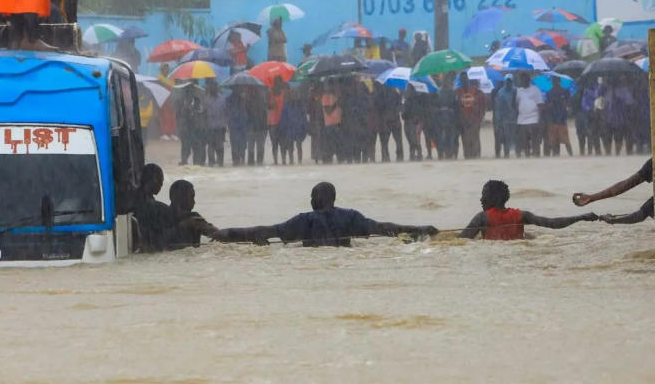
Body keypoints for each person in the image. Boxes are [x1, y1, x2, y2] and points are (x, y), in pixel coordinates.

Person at [212, 182, 437, 247]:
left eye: (312, 197)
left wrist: (225, 234)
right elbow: (383, 228)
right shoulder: (350, 217)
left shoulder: (304, 221)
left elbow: (264, 231)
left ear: (315, 201)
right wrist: (419, 230)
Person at [459, 180, 597, 240]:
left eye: (484, 196)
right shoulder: (522, 215)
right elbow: (554, 223)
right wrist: (581, 217)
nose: (481, 199)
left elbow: (461, 240)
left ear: (492, 198)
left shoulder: (482, 218)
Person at [573, 157, 653, 223]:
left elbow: (640, 215)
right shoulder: (652, 164)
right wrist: (592, 197)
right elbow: (625, 185)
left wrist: (613, 219)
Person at [163, 180, 219, 250]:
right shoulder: (163, 214)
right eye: (191, 197)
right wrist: (184, 225)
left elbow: (215, 232)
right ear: (179, 197)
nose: (194, 202)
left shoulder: (193, 218)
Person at [132, 164, 172, 253]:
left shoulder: (143, 197)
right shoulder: (144, 201)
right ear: (154, 179)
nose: (161, 184)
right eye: (161, 180)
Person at [603, 77, 635, 156]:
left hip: (620, 119)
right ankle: (609, 153)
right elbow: (605, 104)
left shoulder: (623, 91)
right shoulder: (608, 91)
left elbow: (630, 102)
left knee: (618, 138)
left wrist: (620, 100)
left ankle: (617, 154)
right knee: (608, 138)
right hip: (610, 119)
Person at [456, 74, 486, 159]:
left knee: (475, 138)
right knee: (465, 139)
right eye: (462, 79)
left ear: (467, 79)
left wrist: (480, 116)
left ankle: (476, 155)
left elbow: (483, 103)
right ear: (460, 81)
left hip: (475, 120)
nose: (464, 80)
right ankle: (467, 156)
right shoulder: (458, 91)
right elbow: (457, 106)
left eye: (465, 78)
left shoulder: (475, 90)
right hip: (463, 120)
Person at [176, 82, 206, 166]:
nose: (190, 92)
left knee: (196, 146)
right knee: (185, 146)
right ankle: (184, 160)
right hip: (185, 129)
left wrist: (193, 111)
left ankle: (197, 162)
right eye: (188, 90)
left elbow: (200, 111)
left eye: (191, 90)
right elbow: (178, 114)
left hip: (195, 128)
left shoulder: (197, 100)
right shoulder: (181, 101)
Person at [514, 72, 543, 158]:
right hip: (522, 120)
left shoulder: (536, 90)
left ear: (529, 80)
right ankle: (527, 156)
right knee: (524, 140)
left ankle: (536, 155)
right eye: (522, 79)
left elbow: (540, 105)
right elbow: (516, 104)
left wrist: (540, 119)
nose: (523, 81)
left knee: (535, 140)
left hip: (534, 119)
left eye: (525, 79)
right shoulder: (519, 91)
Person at [373, 83, 403, 162]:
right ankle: (400, 157)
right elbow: (400, 105)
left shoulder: (380, 93)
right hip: (395, 119)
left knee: (384, 142)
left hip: (385, 120)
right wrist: (396, 112)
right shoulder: (395, 92)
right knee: (398, 140)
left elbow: (378, 105)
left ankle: (385, 157)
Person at [279, 85, 309, 165]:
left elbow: (304, 117)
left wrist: (305, 127)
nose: (293, 95)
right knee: (290, 147)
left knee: (299, 146)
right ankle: (291, 161)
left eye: (295, 93)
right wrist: (282, 128)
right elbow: (283, 118)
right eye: (292, 93)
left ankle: (299, 162)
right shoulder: (287, 105)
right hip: (290, 128)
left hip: (298, 128)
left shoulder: (300, 105)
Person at [544, 76, 573, 156]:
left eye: (556, 80)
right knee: (554, 142)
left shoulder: (565, 91)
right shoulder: (549, 93)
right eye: (553, 80)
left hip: (562, 120)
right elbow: (547, 106)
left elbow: (569, 105)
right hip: (553, 120)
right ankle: (556, 158)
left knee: (566, 142)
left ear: (559, 81)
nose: (554, 82)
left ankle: (571, 156)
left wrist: (566, 106)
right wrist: (549, 105)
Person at [434, 75, 461, 160]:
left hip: (451, 119)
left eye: (447, 80)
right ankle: (442, 153)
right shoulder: (438, 92)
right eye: (444, 80)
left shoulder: (453, 92)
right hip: (440, 119)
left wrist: (451, 110)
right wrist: (439, 110)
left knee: (452, 137)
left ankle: (452, 153)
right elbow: (435, 105)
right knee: (441, 138)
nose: (445, 82)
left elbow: (457, 106)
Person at [491, 75, 518, 159]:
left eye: (510, 81)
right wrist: (498, 120)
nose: (508, 83)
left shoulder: (516, 91)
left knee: (511, 139)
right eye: (507, 81)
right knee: (500, 138)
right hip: (503, 119)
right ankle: (498, 155)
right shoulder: (501, 92)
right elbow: (498, 107)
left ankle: (508, 155)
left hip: (514, 119)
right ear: (505, 82)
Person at [205, 79, 227, 167]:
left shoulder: (223, 99)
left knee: (219, 146)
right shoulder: (206, 100)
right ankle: (212, 163)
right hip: (210, 127)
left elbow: (226, 112)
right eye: (213, 88)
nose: (214, 89)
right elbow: (204, 114)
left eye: (215, 87)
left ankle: (220, 163)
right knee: (211, 146)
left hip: (220, 127)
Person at [321, 79, 342, 163]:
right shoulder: (325, 97)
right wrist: (336, 103)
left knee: (338, 144)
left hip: (338, 123)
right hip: (330, 124)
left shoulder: (336, 96)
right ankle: (328, 160)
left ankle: (339, 159)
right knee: (330, 144)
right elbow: (328, 111)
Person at [226, 86, 248, 166]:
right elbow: (228, 112)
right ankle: (238, 160)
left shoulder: (243, 98)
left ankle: (238, 161)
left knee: (239, 144)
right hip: (235, 125)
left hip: (240, 124)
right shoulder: (229, 99)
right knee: (237, 144)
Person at [246, 86, 268, 165]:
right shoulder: (247, 102)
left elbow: (265, 116)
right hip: (252, 128)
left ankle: (258, 163)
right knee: (252, 148)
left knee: (259, 148)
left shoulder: (262, 102)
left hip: (259, 128)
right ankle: (256, 164)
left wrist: (265, 128)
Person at [267, 77, 286, 164]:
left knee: (283, 143)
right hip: (272, 123)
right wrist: (271, 105)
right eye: (277, 83)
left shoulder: (284, 94)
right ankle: (275, 161)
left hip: (283, 122)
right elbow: (266, 106)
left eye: (280, 83)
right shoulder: (269, 93)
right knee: (274, 143)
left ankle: (284, 161)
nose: (279, 85)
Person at [156, 63, 178, 141]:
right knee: (164, 117)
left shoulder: (170, 78)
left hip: (171, 100)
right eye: (165, 69)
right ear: (162, 70)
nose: (167, 70)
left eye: (168, 69)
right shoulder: (159, 78)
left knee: (172, 116)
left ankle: (171, 133)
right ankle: (164, 133)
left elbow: (173, 88)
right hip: (162, 100)